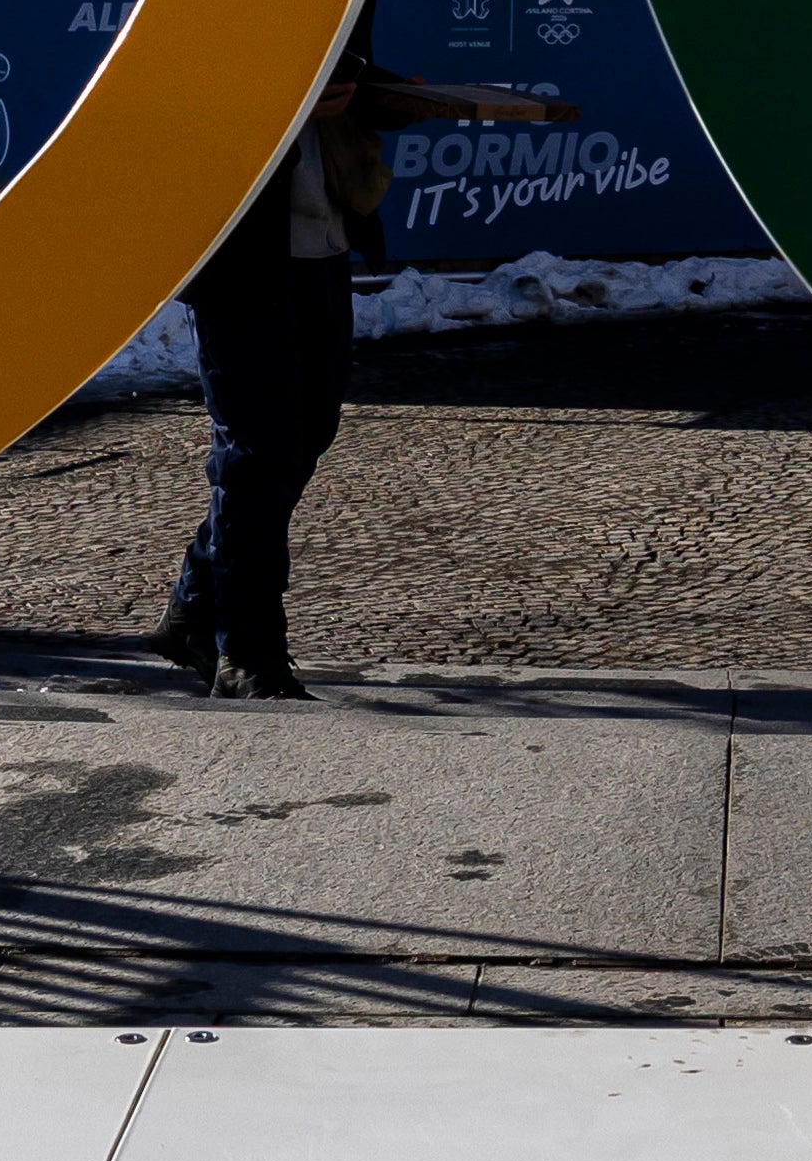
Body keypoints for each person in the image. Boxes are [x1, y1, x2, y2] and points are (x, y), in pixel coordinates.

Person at [153, 51, 571, 699]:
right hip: (239, 255)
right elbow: (176, 105)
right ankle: (248, 652)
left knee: (303, 439)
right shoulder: (212, 16)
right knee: (258, 453)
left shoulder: (325, 2)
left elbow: (346, 74)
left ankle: (193, 606)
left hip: (321, 250)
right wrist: (285, 104)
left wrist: (385, 95)